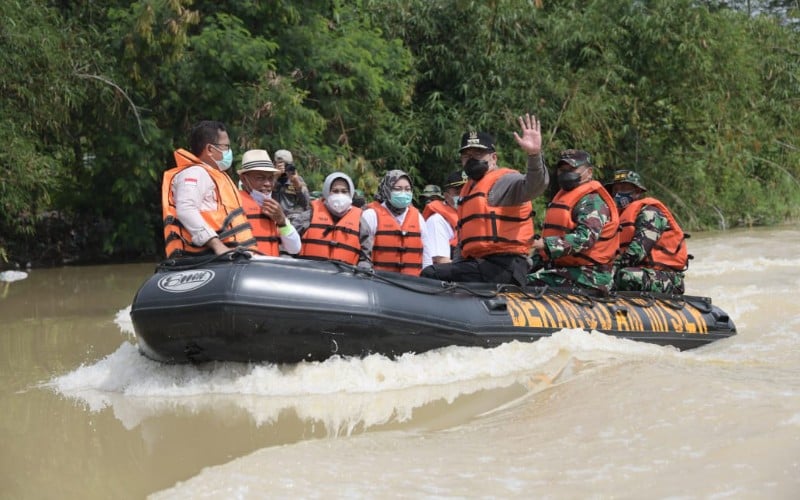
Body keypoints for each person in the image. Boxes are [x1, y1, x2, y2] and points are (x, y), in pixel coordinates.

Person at [420, 113, 549, 285]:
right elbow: (464, 244)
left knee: (431, 274)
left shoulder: (504, 181)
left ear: (493, 158)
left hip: (506, 266)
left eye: (478, 154)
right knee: (445, 274)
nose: (472, 159)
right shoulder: (467, 192)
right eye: (467, 156)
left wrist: (534, 155)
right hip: (479, 265)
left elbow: (535, 186)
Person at [528, 149, 619, 293]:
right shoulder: (564, 197)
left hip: (590, 276)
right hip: (565, 271)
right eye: (562, 170)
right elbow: (545, 251)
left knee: (528, 284)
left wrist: (544, 244)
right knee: (516, 276)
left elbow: (585, 238)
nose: (565, 174)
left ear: (589, 172)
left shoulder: (592, 201)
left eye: (572, 169)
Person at [162, 120, 256, 258]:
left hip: (234, 258)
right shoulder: (194, 173)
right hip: (211, 258)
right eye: (226, 146)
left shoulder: (215, 176)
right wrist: (218, 246)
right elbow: (186, 209)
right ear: (210, 149)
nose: (229, 151)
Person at [605, 169, 688, 294]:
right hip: (637, 271)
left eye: (623, 188)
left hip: (665, 278)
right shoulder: (614, 218)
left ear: (637, 191)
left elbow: (638, 251)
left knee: (625, 276)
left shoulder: (651, 213)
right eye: (615, 190)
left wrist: (611, 269)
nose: (618, 193)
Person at [361, 169, 433, 275]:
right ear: (387, 190)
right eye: (397, 189)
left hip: (412, 283)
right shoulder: (371, 215)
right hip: (380, 281)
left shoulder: (418, 217)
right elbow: (363, 254)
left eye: (407, 189)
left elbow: (426, 256)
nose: (403, 193)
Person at [297, 172, 371, 267]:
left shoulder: (360, 222)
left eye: (344, 191)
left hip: (343, 278)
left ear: (351, 193)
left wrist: (363, 267)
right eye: (335, 191)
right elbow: (289, 243)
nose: (340, 195)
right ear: (327, 192)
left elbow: (366, 256)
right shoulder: (309, 215)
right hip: (310, 275)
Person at [237, 149, 301, 256]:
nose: (267, 183)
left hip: (269, 269)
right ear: (244, 179)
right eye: (260, 178)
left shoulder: (274, 207)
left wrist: (282, 222)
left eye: (271, 178)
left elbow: (295, 248)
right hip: (245, 269)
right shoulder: (234, 203)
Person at [422, 170, 465, 267]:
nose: (463, 195)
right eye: (458, 192)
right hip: (446, 279)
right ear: (446, 196)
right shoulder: (437, 221)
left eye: (467, 190)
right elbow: (441, 262)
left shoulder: (471, 217)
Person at [273, 149, 311, 228]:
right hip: (273, 218)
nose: (284, 168)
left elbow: (306, 205)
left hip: (293, 220)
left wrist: (297, 185)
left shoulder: (297, 179)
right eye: (280, 164)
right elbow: (262, 197)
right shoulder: (268, 179)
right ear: (274, 164)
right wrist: (275, 178)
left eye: (287, 165)